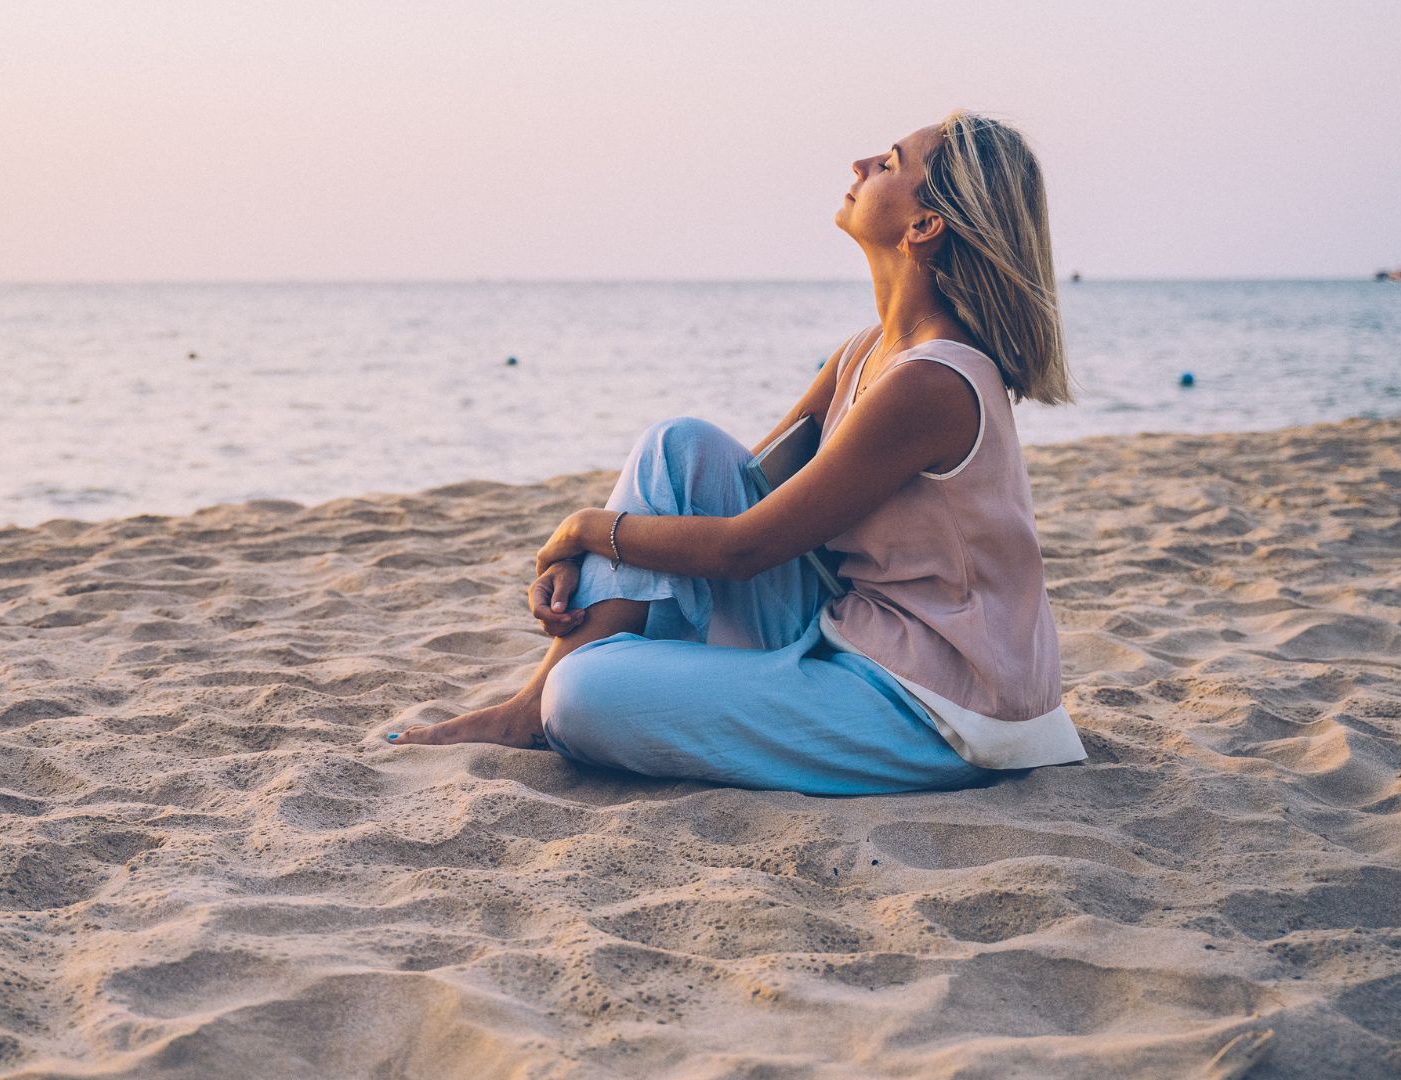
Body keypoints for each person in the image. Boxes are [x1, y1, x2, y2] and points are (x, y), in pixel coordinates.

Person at [384, 109, 1088, 795]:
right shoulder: (866, 353)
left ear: (925, 226)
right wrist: (602, 560)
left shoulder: (933, 381)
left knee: (582, 694)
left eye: (890, 163)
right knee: (676, 448)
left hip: (939, 705)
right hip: (854, 629)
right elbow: (727, 492)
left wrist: (581, 531)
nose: (861, 164)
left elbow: (741, 550)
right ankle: (527, 707)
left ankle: (550, 701)